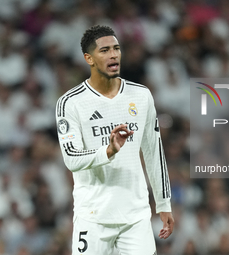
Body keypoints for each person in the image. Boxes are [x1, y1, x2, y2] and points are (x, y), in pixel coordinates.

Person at [55, 25, 174, 255]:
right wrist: (107, 151)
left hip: (136, 217)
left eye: (117, 48)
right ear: (88, 58)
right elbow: (71, 158)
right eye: (105, 50)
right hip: (93, 217)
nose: (113, 54)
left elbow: (154, 152)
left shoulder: (141, 96)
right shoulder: (70, 103)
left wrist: (163, 203)